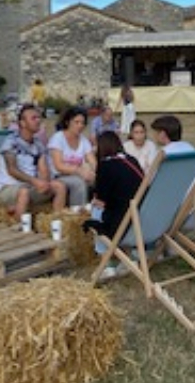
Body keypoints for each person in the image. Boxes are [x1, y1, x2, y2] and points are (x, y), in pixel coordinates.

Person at [85, 131, 146, 277]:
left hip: (121, 223)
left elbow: (101, 198)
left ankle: (106, 264)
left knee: (96, 211)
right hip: (140, 219)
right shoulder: (132, 160)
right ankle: (128, 258)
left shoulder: (106, 165)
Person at [0, 105, 67, 220]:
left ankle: (55, 222)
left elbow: (43, 169)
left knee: (59, 186)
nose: (38, 121)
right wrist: (35, 182)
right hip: (9, 188)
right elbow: (12, 170)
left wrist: (44, 183)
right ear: (22, 123)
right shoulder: (11, 142)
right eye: (33, 118)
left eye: (39, 118)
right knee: (24, 192)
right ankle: (19, 227)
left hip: (30, 186)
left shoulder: (38, 144)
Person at [48, 107, 96, 207]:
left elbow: (93, 162)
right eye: (76, 122)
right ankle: (77, 213)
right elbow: (58, 166)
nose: (80, 126)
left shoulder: (83, 140)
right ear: (67, 122)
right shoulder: (58, 138)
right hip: (59, 176)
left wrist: (92, 172)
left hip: (78, 173)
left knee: (99, 180)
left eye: (82, 123)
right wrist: (79, 171)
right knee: (79, 183)